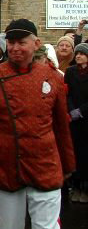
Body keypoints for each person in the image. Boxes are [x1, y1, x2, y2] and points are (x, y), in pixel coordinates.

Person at [0, 19, 75, 229]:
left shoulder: (53, 78)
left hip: (45, 165)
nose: (15, 48)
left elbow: (62, 126)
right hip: (5, 166)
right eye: (11, 42)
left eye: (21, 42)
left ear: (36, 43)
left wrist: (68, 164)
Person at [64, 43, 88, 203]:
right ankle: (76, 186)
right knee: (76, 154)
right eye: (77, 53)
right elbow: (66, 92)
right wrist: (72, 109)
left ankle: (86, 189)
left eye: (82, 54)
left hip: (86, 118)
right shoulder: (70, 72)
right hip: (74, 121)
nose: (78, 56)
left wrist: (82, 110)